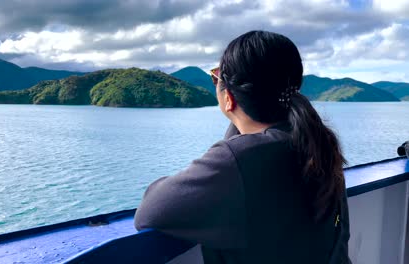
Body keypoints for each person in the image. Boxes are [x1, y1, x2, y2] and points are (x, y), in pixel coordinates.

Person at [134, 30, 351, 263]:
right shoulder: (317, 142)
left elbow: (150, 211)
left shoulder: (237, 159)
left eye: (216, 77)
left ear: (229, 97)